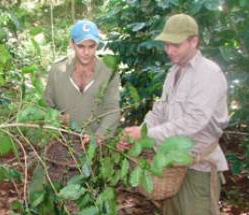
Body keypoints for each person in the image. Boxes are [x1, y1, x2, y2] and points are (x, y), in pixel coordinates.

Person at [121, 14, 229, 215]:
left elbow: (193, 122)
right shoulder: (174, 72)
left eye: (175, 45)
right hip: (170, 166)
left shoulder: (208, 74)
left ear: (193, 41)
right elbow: (159, 110)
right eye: (167, 45)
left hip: (197, 168)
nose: (169, 51)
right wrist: (138, 134)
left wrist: (147, 135)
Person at [44, 20, 120, 144]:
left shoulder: (108, 73)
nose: (86, 52)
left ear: (97, 45)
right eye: (81, 46)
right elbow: (46, 106)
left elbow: (112, 110)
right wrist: (56, 119)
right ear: (72, 44)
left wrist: (99, 136)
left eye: (91, 46)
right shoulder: (57, 70)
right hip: (63, 142)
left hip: (97, 143)